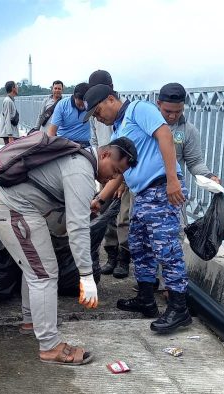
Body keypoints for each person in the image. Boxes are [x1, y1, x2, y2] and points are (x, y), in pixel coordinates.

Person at [0, 137, 138, 364]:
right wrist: (86, 276)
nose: (113, 178)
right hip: (14, 209)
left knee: (36, 270)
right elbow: (77, 228)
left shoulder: (78, 158)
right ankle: (49, 346)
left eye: (119, 176)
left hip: (11, 206)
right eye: (115, 170)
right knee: (44, 274)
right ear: (105, 155)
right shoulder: (82, 171)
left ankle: (31, 322)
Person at [83, 81, 192, 334]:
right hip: (142, 194)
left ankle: (179, 309)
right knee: (140, 246)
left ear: (111, 99)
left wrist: (173, 180)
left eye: (98, 111)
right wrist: (101, 199)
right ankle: (146, 298)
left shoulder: (139, 110)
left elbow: (165, 135)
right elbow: (122, 172)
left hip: (161, 188)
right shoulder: (119, 128)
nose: (98, 117)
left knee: (167, 249)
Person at [87, 70, 130, 279]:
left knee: (123, 218)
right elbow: (94, 139)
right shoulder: (97, 112)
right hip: (105, 167)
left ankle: (123, 260)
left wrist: (120, 178)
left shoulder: (124, 116)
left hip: (120, 171)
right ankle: (111, 256)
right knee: (106, 214)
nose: (98, 116)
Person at [156, 83, 220, 184]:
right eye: (168, 111)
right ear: (158, 104)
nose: (172, 116)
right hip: (139, 191)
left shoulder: (189, 131)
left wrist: (209, 176)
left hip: (172, 190)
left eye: (178, 111)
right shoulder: (142, 124)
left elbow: (195, 163)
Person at [46, 82, 90, 147]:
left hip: (85, 144)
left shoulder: (91, 104)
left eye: (84, 105)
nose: (82, 107)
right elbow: (51, 132)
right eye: (79, 104)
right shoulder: (62, 105)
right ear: (74, 97)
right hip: (65, 144)